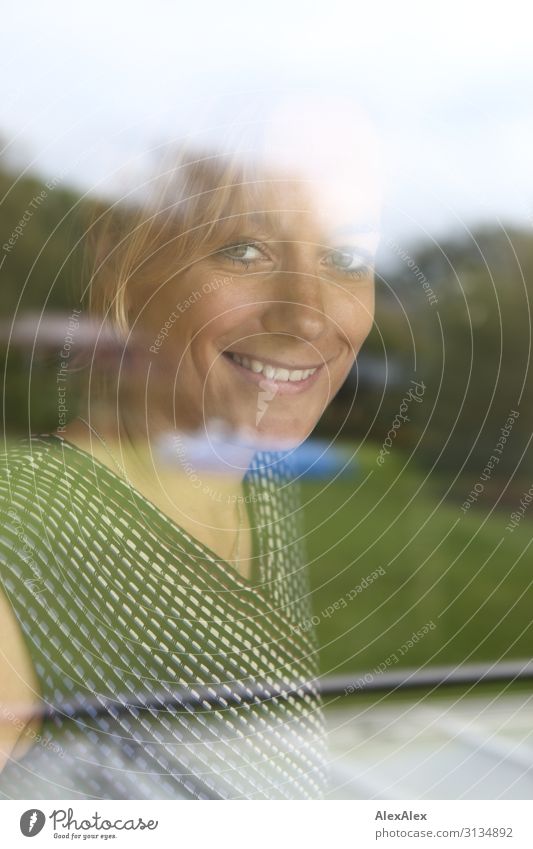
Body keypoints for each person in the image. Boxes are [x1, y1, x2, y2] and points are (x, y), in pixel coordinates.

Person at [0, 94, 382, 798]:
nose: (306, 314)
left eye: (346, 255)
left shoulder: (248, 486)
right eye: (243, 248)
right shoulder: (16, 536)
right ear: (119, 261)